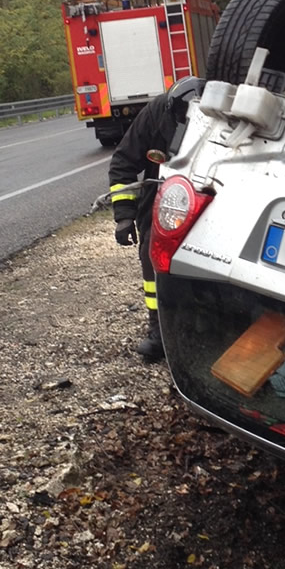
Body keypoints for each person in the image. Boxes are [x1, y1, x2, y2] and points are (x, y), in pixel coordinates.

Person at [107, 76, 205, 360]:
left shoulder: (220, 116)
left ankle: (211, 325)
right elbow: (123, 162)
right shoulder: (156, 113)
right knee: (154, 254)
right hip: (163, 195)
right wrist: (124, 217)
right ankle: (159, 331)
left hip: (208, 194)